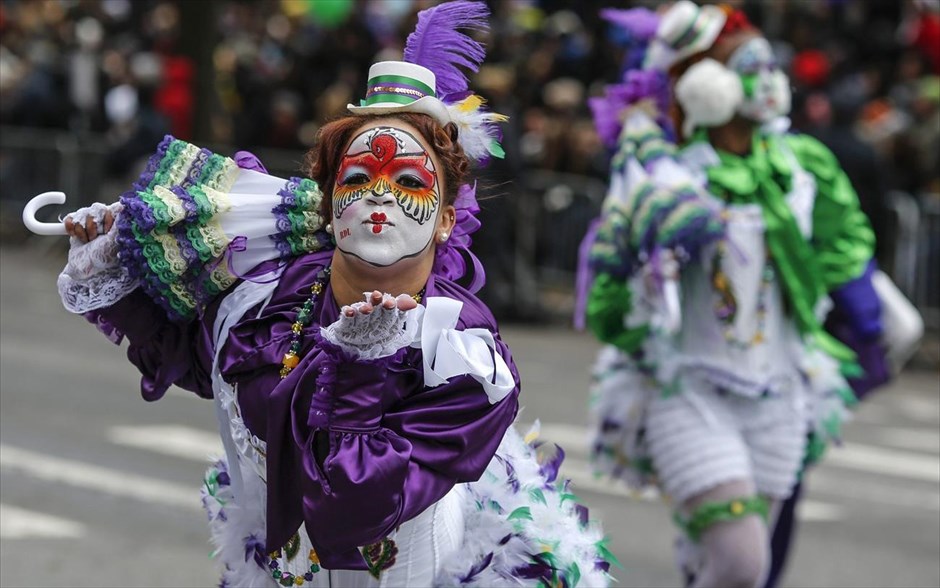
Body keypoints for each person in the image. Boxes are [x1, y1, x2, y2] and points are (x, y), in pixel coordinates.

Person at [43, 2, 613, 586]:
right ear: (328, 199)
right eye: (359, 178)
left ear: (445, 220)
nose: (381, 197)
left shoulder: (462, 355)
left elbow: (353, 514)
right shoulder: (269, 297)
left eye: (410, 182)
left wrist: (361, 371)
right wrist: (109, 271)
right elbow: (194, 358)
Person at [579, 3, 885, 587]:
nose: (770, 80)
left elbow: (843, 248)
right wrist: (649, 268)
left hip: (782, 392)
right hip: (691, 388)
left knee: (726, 565)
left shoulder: (799, 167)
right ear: (705, 86)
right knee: (742, 565)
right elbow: (609, 305)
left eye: (772, 64)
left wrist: (856, 308)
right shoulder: (665, 181)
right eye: (749, 65)